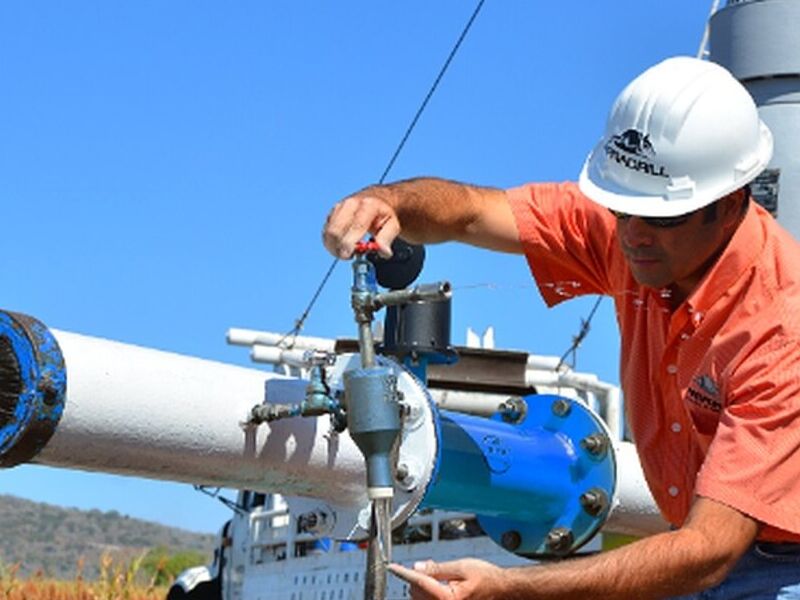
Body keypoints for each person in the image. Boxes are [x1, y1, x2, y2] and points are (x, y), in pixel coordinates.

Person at [323, 56, 800, 599]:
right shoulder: (634, 230)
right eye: (621, 208)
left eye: (661, 218)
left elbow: (711, 549)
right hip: (699, 547)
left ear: (731, 201)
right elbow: (476, 212)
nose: (633, 235)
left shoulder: (781, 329)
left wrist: (508, 589)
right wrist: (390, 202)